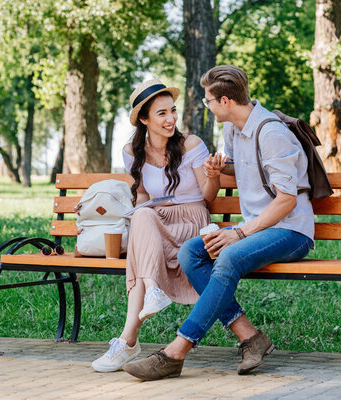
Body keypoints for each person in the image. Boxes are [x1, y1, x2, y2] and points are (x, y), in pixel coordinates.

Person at [123, 65, 315, 380]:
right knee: (190, 253)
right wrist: (216, 170)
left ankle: (176, 351)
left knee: (227, 256)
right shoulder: (233, 130)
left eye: (209, 100)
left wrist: (238, 232)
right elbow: (245, 169)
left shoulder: (272, 134)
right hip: (258, 229)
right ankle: (250, 337)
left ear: (225, 101)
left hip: (290, 231)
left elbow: (287, 200)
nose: (206, 106)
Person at [92, 78, 225, 372]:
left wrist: (213, 175)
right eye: (161, 113)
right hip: (155, 220)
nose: (171, 119)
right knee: (141, 216)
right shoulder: (131, 152)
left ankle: (128, 342)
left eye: (172, 111)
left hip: (190, 220)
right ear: (144, 119)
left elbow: (208, 196)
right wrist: (138, 222)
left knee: (141, 243)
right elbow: (142, 197)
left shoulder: (191, 144)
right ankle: (147, 302)